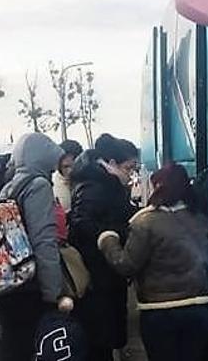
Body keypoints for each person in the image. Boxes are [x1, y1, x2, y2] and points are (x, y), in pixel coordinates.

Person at [98, 164, 208, 361]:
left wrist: (108, 240)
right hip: (199, 309)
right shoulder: (201, 218)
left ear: (159, 187)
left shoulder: (145, 223)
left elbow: (126, 265)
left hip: (160, 312)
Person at [0, 133, 72, 361]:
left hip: (10, 280)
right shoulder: (37, 186)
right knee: (32, 346)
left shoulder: (10, 185)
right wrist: (53, 292)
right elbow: (43, 239)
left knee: (14, 345)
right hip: (30, 285)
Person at [69, 134, 141, 361]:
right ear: (111, 164)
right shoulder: (95, 186)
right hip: (98, 275)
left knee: (109, 335)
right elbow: (83, 224)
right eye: (128, 168)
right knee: (101, 338)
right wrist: (115, 232)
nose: (131, 174)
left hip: (107, 273)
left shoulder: (105, 183)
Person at [53, 140, 84, 215]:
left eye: (74, 166)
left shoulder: (90, 183)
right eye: (65, 167)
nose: (70, 171)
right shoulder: (52, 186)